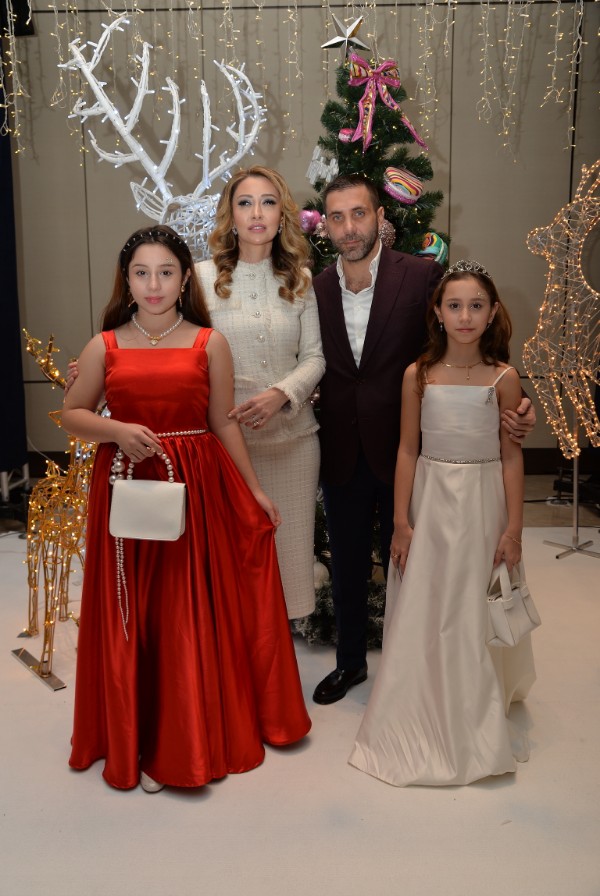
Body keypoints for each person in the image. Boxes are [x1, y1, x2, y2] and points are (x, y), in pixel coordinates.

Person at [61, 225, 310, 793]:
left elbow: (222, 421)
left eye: (166, 272)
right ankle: (139, 734)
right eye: (141, 273)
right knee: (136, 610)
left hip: (194, 489)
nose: (153, 285)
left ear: (183, 280)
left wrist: (253, 490)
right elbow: (73, 414)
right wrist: (117, 430)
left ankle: (180, 739)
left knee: (180, 609)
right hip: (127, 488)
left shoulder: (208, 342)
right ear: (126, 281)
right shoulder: (104, 345)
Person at [312, 174, 536, 705]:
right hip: (341, 448)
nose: (349, 227)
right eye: (337, 217)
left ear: (380, 217)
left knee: (421, 566)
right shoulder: (314, 288)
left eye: (359, 214)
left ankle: (419, 665)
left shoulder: (419, 276)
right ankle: (350, 663)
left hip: (414, 452)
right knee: (347, 562)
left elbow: (462, 344)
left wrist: (516, 404)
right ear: (326, 226)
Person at [349, 260, 536, 785]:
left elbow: (512, 457)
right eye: (454, 305)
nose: (465, 316)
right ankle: (424, 691)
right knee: (430, 595)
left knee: (472, 597)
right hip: (431, 500)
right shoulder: (419, 375)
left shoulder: (504, 378)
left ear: (492, 312)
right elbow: (408, 450)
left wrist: (513, 530)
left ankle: (473, 701)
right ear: (437, 312)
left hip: (482, 503)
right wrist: (401, 522)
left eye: (476, 306)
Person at [196, 166, 325, 619]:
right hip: (228, 447)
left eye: (268, 202)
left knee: (289, 565)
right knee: (234, 566)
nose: (257, 213)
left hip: (294, 445)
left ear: (281, 214)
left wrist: (281, 394)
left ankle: (277, 661)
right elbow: (172, 342)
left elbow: (315, 358)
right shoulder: (201, 278)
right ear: (230, 215)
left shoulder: (301, 280)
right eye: (245, 203)